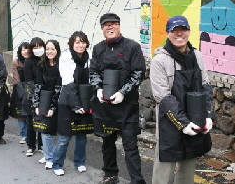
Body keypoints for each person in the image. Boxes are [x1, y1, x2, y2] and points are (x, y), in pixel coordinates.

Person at [150, 15, 214, 184]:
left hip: (195, 121)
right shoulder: (160, 61)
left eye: (183, 30)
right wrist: (183, 123)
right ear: (167, 34)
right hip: (169, 124)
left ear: (189, 32)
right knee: (163, 175)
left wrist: (208, 115)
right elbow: (163, 97)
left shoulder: (197, 56)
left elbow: (206, 86)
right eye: (174, 31)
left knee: (187, 174)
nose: (179, 34)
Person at [90, 13, 146, 184]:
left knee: (130, 145)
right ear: (102, 29)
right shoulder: (98, 48)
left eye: (114, 24)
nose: (110, 27)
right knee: (107, 143)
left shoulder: (132, 47)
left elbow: (138, 73)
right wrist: (98, 88)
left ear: (119, 26)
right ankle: (110, 173)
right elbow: (93, 72)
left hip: (127, 106)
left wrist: (123, 92)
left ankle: (137, 180)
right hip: (104, 106)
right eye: (106, 25)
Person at [52, 31, 94, 176]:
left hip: (84, 100)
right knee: (65, 136)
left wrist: (88, 103)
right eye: (77, 42)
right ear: (72, 44)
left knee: (82, 135)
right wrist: (76, 106)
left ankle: (80, 162)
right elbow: (68, 83)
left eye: (83, 42)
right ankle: (57, 163)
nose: (80, 45)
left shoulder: (89, 58)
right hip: (68, 101)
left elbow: (91, 80)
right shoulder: (66, 57)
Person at [32, 40, 62, 170]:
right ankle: (49, 157)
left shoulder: (62, 65)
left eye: (53, 49)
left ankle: (51, 153)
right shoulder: (41, 65)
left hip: (58, 100)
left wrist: (53, 107)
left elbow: (59, 87)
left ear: (57, 50)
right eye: (48, 49)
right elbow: (37, 85)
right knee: (45, 130)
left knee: (58, 131)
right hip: (44, 99)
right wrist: (37, 104)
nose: (50, 51)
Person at [23, 37, 44, 156]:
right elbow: (29, 81)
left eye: (40, 47)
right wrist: (35, 97)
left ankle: (41, 144)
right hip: (32, 95)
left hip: (45, 94)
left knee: (42, 120)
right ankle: (31, 146)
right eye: (35, 47)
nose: (38, 49)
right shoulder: (29, 61)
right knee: (31, 122)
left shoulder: (47, 60)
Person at [10, 42, 29, 144]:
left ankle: (31, 134)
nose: (25, 51)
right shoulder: (16, 62)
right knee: (20, 114)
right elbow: (16, 78)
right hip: (19, 90)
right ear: (20, 51)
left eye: (27, 49)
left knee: (30, 114)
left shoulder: (33, 61)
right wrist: (23, 92)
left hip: (31, 89)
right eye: (23, 49)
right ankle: (24, 134)